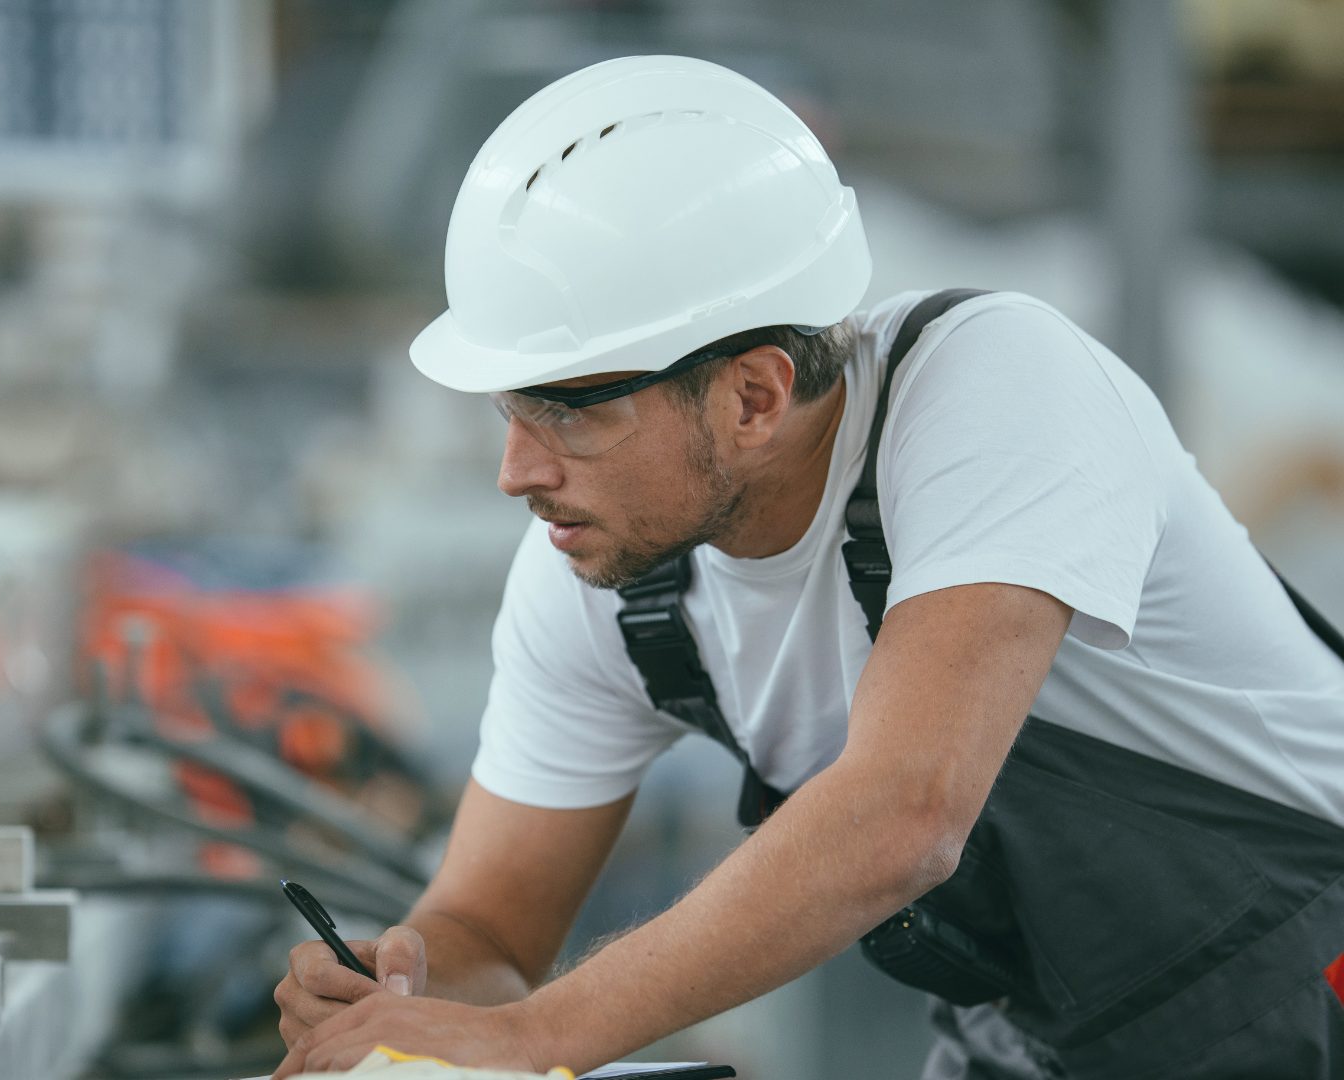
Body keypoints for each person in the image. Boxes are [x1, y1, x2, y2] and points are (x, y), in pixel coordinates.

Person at [272, 55, 1344, 1080]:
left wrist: (534, 1036)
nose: (515, 471)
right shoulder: (604, 580)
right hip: (1058, 1040)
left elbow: (903, 817)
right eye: (508, 410)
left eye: (566, 411)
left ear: (754, 395)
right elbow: (490, 930)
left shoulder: (998, 385)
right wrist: (409, 988)